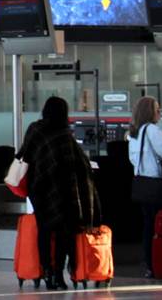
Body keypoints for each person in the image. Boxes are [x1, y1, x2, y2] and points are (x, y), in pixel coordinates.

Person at [17, 96, 100, 289]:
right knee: (64, 231)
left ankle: (46, 270)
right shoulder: (64, 133)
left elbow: (24, 154)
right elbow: (76, 163)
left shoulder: (34, 129)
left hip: (39, 189)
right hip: (63, 190)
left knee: (44, 230)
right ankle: (57, 274)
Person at [128, 96, 162, 278]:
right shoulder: (152, 130)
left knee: (148, 226)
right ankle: (159, 261)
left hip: (141, 184)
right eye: (157, 109)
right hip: (155, 184)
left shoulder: (134, 133)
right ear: (150, 112)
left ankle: (150, 263)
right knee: (158, 224)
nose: (160, 114)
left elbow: (132, 159)